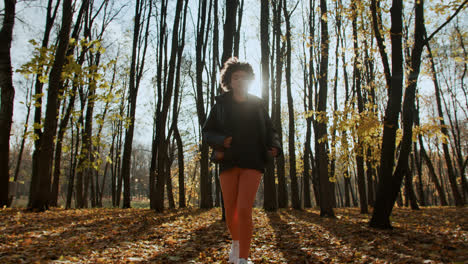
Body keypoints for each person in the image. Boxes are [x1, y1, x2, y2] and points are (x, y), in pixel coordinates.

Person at [202, 57, 283, 264]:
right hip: (228, 160)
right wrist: (222, 140)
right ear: (229, 81)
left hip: (253, 160)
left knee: (244, 209)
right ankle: (236, 244)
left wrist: (275, 146)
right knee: (230, 210)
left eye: (244, 78)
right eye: (236, 77)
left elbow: (271, 129)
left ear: (250, 81)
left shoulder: (257, 104)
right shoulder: (220, 104)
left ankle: (243, 259)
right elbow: (207, 132)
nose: (240, 81)